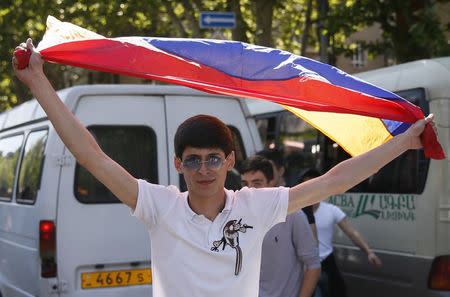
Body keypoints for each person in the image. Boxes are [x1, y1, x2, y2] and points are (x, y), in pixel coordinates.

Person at [13, 39, 435, 297]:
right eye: (193, 159)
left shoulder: (256, 206)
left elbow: (334, 180)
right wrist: (38, 82)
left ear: (230, 161)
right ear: (178, 164)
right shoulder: (158, 206)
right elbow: (93, 156)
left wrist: (406, 142)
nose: (204, 169)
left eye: (214, 158)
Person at [240, 155, 320, 297]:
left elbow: (313, 265)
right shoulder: (237, 215)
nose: (249, 190)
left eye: (257, 183)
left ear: (271, 183)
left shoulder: (292, 214)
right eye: (245, 184)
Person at [299, 169, 382, 297]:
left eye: (314, 187)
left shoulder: (331, 210)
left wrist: (368, 251)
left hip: (326, 263)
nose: (311, 192)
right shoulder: (296, 214)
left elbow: (351, 232)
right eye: (307, 187)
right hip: (305, 266)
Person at [257, 149, 318, 240]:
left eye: (267, 170)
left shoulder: (298, 198)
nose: (262, 175)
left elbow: (312, 243)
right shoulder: (254, 200)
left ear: (281, 171)